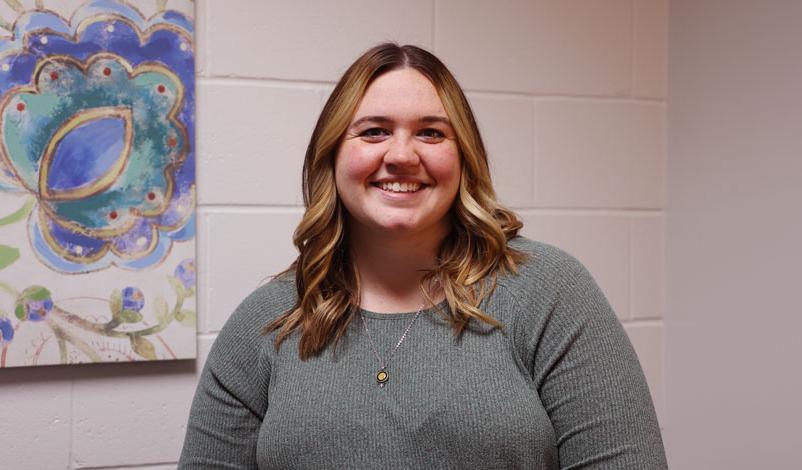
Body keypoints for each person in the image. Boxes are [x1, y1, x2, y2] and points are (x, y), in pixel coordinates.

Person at [179, 43, 668, 469]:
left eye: (431, 133)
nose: (402, 155)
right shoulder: (266, 322)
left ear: (464, 157)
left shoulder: (549, 292)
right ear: (332, 155)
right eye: (373, 131)